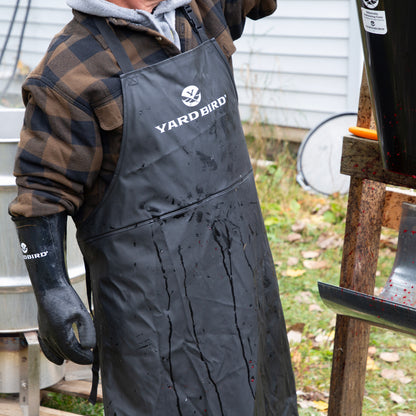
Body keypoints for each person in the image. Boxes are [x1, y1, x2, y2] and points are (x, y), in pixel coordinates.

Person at [9, 0, 299, 414]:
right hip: (150, 302)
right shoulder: (69, 69)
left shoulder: (203, 11)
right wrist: (51, 287)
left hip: (240, 268)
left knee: (259, 391)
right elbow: (42, 193)